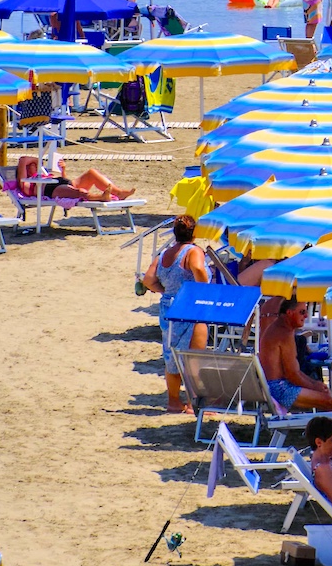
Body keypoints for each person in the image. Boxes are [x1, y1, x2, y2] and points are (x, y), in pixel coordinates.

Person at [140, 215, 210, 415]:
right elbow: (197, 267)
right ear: (194, 233)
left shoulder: (164, 254)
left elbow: (148, 280)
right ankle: (191, 403)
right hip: (190, 306)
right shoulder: (193, 251)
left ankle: (173, 402)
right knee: (194, 357)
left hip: (169, 307)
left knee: (171, 356)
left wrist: (165, 290)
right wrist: (204, 289)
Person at [259, 298, 332, 411]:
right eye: (302, 312)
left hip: (273, 385)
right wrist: (314, 387)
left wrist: (314, 383)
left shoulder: (279, 328)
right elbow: (292, 374)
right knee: (330, 401)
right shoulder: (284, 333)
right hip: (279, 388)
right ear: (289, 313)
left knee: (329, 399)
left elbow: (295, 372)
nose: (306, 316)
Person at [15, 153, 132, 203]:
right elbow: (23, 160)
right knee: (79, 192)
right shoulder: (26, 183)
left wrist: (63, 170)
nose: (35, 166)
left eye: (35, 165)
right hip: (52, 190)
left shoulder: (42, 175)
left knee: (92, 173)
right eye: (31, 166)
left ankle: (119, 193)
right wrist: (34, 161)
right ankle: (100, 197)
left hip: (63, 183)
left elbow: (64, 180)